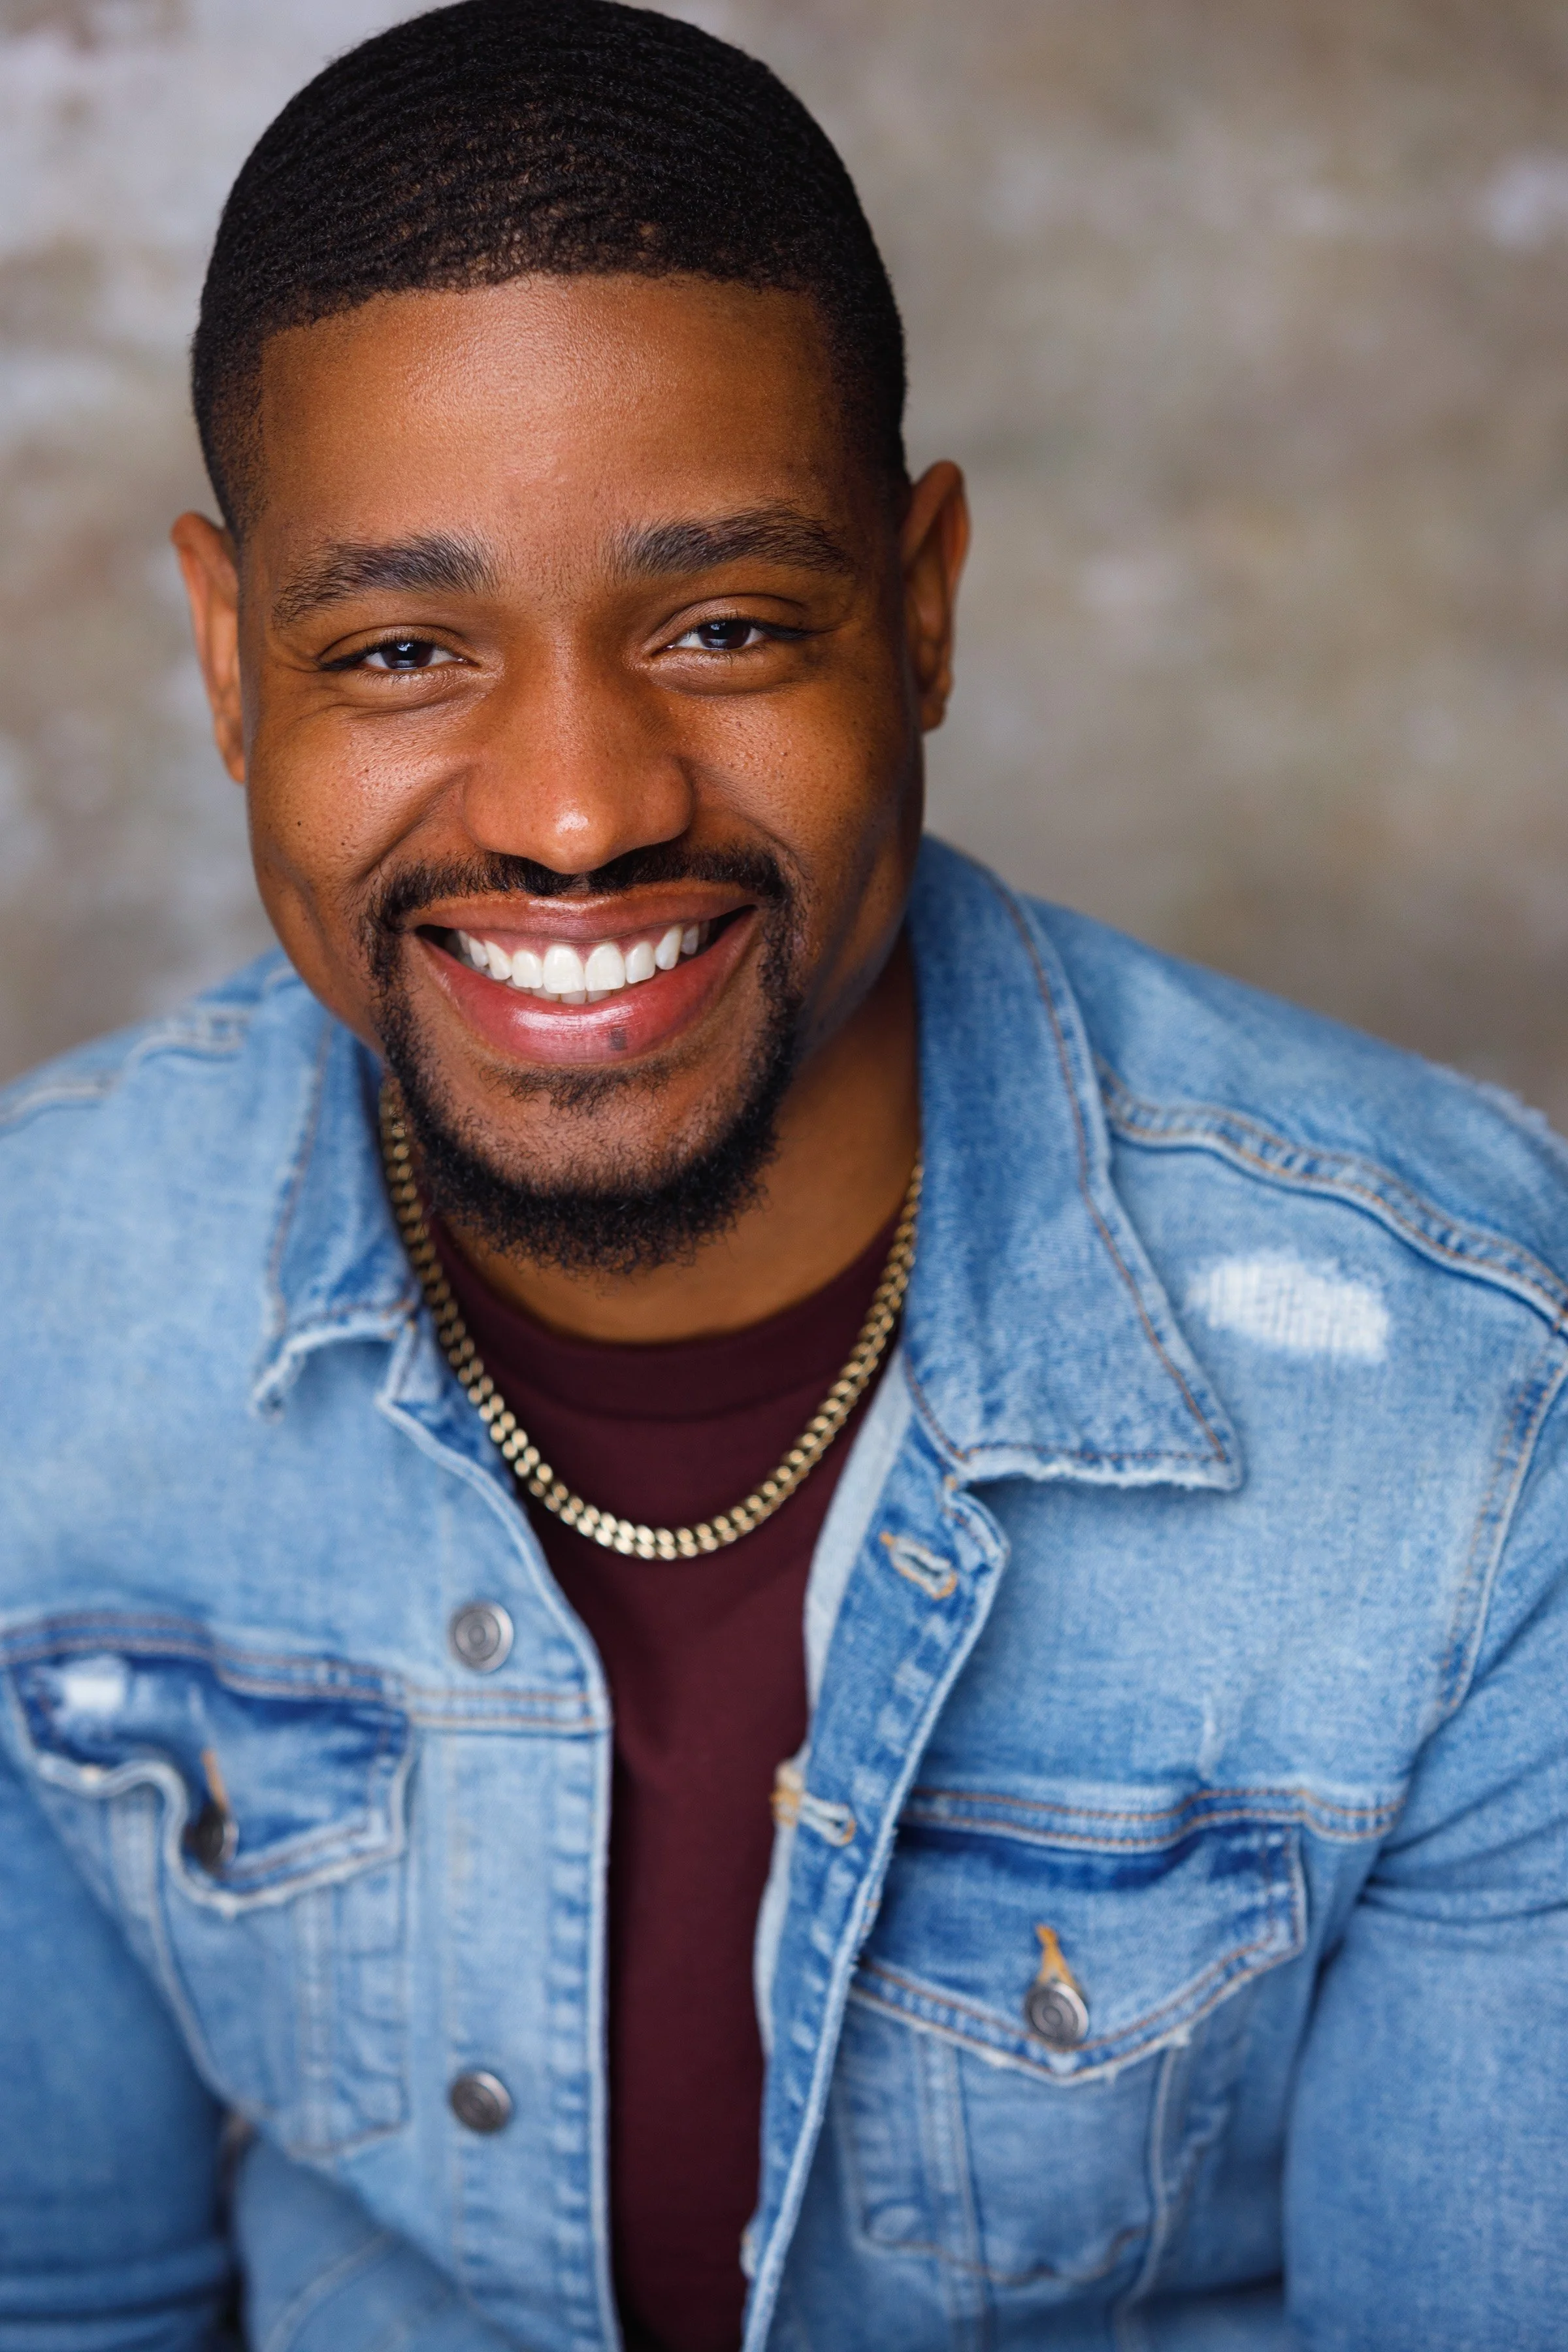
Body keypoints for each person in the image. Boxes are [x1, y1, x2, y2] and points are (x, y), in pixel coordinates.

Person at [3, 3, 1566, 2346]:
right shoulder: (43, 1313)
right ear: (235, 661)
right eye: (404, 646)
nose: (572, 805)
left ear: (921, 604)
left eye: (726, 626)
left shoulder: (1473, 1421)